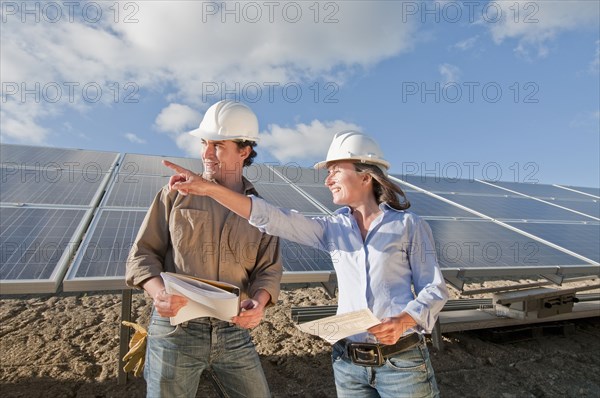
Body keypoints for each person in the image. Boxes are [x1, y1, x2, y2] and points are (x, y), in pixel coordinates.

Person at [164, 130, 449, 398]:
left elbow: (434, 289)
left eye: (336, 170)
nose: (328, 180)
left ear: (366, 177)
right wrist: (208, 189)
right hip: (348, 365)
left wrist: (403, 321)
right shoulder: (332, 228)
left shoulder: (408, 225)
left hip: (402, 362)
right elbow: (273, 218)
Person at [125, 100, 283, 398]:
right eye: (204, 143)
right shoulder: (175, 195)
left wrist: (260, 303)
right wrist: (158, 294)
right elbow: (142, 255)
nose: (206, 154)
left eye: (218, 146)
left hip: (233, 331)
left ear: (244, 151)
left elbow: (268, 270)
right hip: (176, 331)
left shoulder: (262, 212)